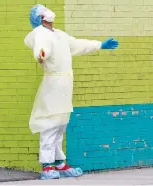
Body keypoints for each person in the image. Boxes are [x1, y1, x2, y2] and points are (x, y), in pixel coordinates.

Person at [24, 4, 119, 180]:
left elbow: (77, 44)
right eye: (42, 9)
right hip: (53, 83)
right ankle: (47, 165)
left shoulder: (59, 34)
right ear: (40, 18)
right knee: (50, 123)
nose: (47, 10)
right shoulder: (40, 34)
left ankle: (59, 162)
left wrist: (99, 45)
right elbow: (41, 50)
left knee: (60, 125)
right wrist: (41, 55)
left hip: (65, 84)